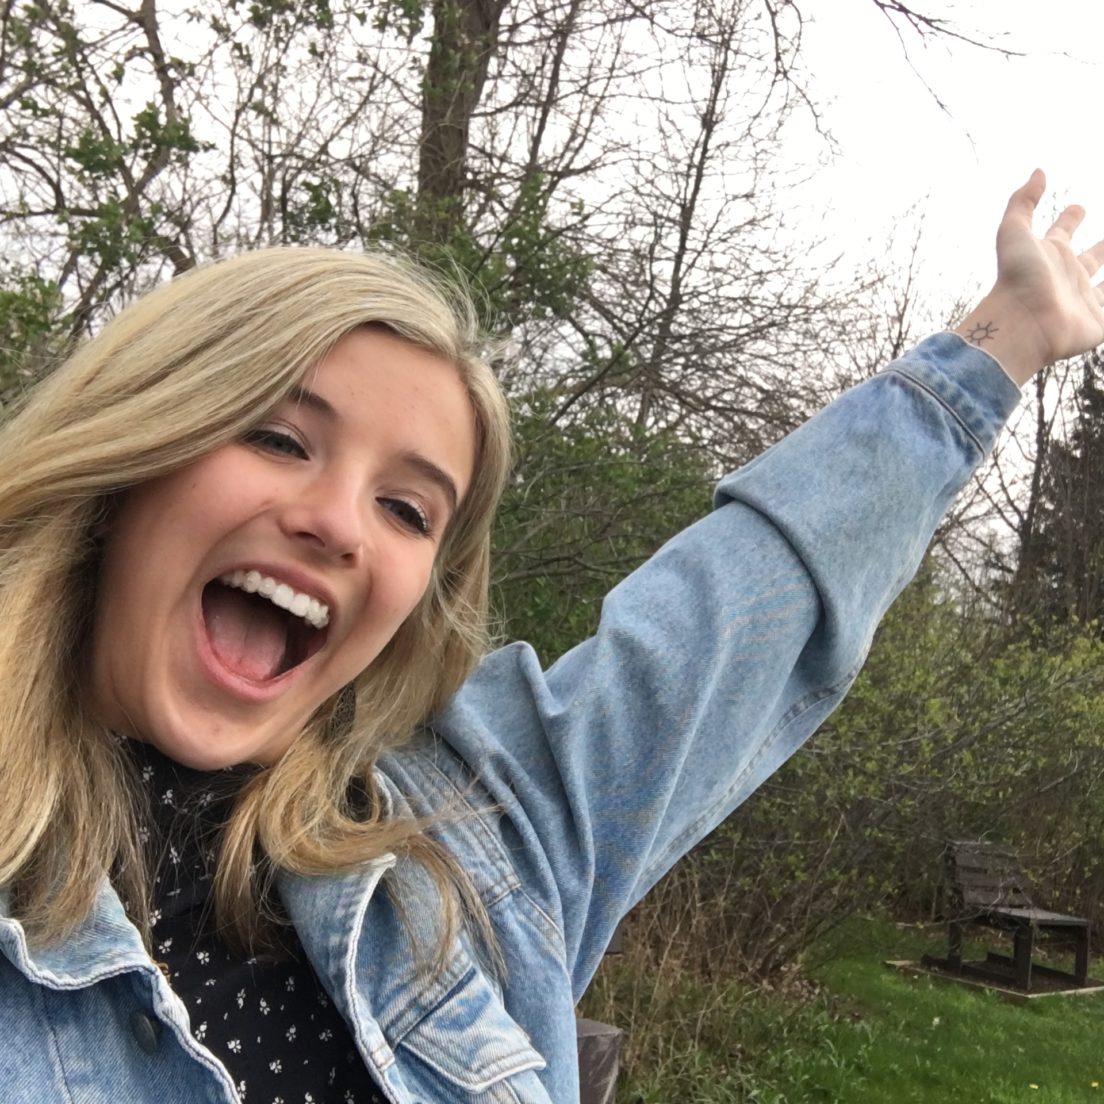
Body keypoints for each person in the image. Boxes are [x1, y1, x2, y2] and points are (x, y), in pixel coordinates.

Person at [0, 169, 1100, 1103]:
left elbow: (722, 622)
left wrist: (1004, 338)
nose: (338, 524)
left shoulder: (469, 839)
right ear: (137, 445)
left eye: (407, 509)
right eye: (282, 440)